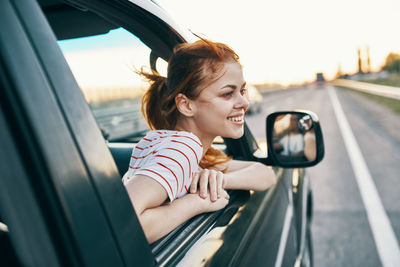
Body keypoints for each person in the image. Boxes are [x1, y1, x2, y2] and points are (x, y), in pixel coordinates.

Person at [122, 39, 277, 243]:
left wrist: (219, 180)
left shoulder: (177, 145)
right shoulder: (182, 148)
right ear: (186, 105)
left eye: (242, 91)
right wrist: (195, 202)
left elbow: (265, 175)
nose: (244, 102)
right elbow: (125, 224)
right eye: (228, 93)